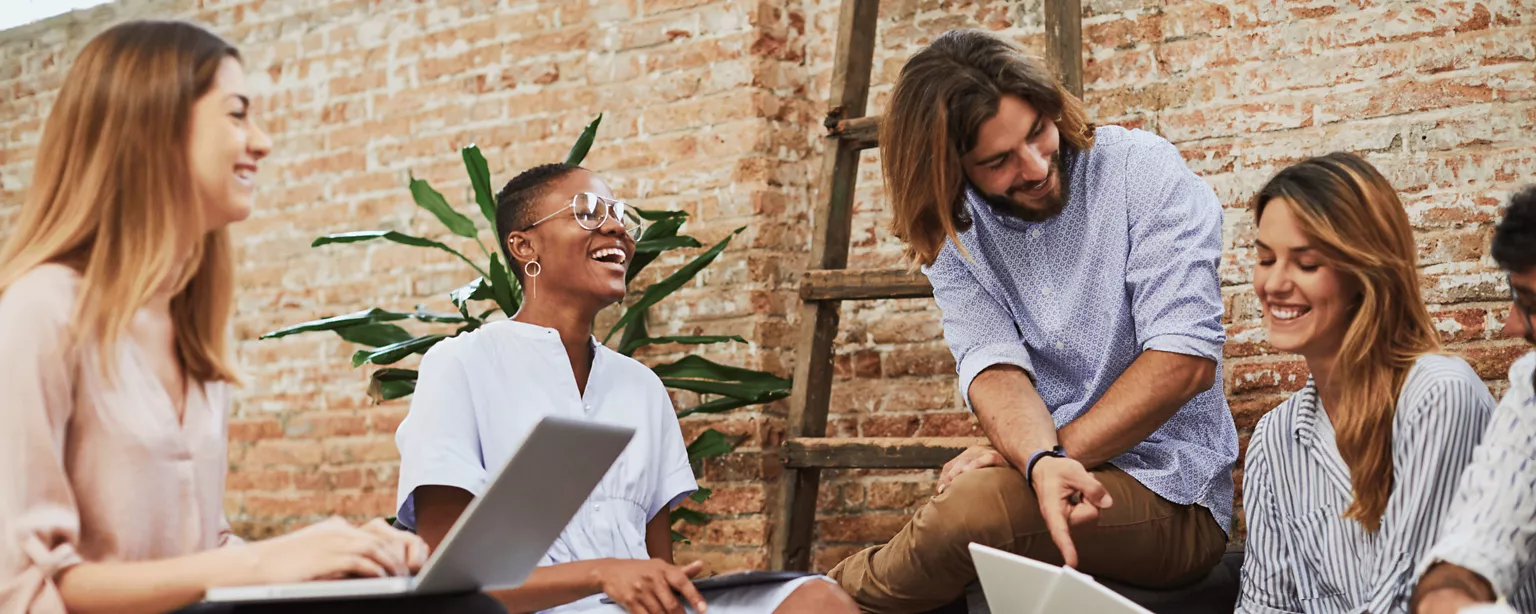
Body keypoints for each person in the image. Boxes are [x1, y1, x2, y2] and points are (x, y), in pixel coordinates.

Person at [0, 20, 505, 614]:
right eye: (237, 114)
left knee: (456, 605)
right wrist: (268, 560)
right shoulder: (42, 312)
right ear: (152, 128)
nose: (261, 141)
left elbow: (201, 553)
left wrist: (332, 562)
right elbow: (24, 588)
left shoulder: (188, 330)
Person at [826, 28, 1238, 612]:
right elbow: (994, 370)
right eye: (998, 161)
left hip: (1172, 493)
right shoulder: (955, 233)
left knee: (973, 512)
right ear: (950, 172)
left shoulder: (1140, 170)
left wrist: (1046, 457)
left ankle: (798, 598)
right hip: (1048, 469)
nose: (1037, 165)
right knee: (964, 520)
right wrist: (1038, 460)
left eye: (1038, 131)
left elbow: (1184, 361)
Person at [393, 163, 860, 614]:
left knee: (815, 599)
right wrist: (601, 574)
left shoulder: (641, 388)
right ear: (524, 245)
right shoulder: (461, 365)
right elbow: (448, 585)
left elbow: (658, 570)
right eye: (588, 211)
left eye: (620, 216)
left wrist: (645, 583)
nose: (616, 228)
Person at [1234, 152, 1500, 614]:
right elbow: (1264, 607)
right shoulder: (1274, 441)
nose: (1273, 284)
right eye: (1264, 258)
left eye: (1307, 263)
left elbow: (1406, 600)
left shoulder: (1439, 396)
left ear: (1364, 274)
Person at [1411, 187, 1536, 614]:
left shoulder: (1445, 392)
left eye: (1532, 304)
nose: (1513, 325)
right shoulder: (1531, 390)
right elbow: (1478, 541)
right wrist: (1449, 597)